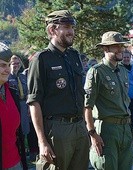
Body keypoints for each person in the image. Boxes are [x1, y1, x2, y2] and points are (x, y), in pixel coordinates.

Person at [27, 10, 89, 170]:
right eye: (67, 27)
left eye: (72, 27)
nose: (71, 32)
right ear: (52, 30)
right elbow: (34, 102)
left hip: (79, 127)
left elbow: (80, 94)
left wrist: (86, 127)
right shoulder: (41, 59)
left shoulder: (74, 56)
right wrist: (42, 141)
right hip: (57, 129)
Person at [84, 31, 133, 170]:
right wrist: (93, 134)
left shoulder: (123, 71)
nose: (121, 50)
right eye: (116, 46)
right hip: (107, 129)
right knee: (107, 166)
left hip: (125, 128)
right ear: (105, 49)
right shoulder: (96, 72)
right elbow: (87, 106)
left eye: (121, 46)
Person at [0, 42, 27, 169]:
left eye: (8, 65)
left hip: (15, 161)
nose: (7, 69)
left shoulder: (11, 91)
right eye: (2, 65)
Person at [8, 55, 30, 136]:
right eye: (14, 63)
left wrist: (29, 106)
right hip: (14, 105)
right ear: (9, 64)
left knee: (27, 128)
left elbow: (28, 92)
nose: (16, 65)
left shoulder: (23, 77)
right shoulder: (7, 78)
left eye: (18, 63)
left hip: (25, 105)